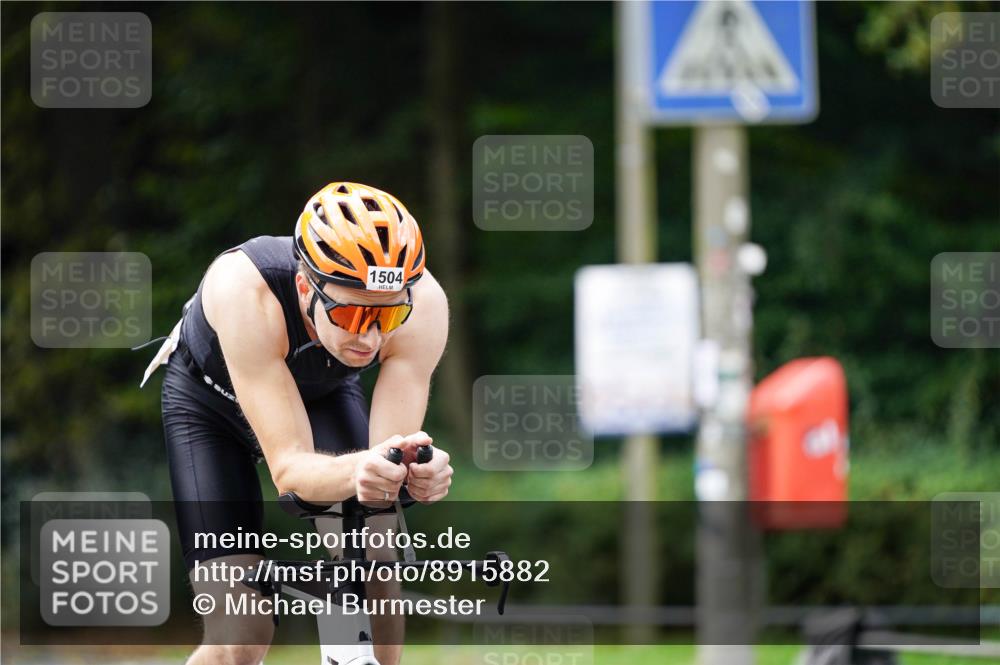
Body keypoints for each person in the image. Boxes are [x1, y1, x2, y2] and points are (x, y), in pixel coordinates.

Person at [148, 182, 453, 665]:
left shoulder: (425, 308)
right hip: (209, 408)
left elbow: (386, 467)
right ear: (306, 287)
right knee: (241, 632)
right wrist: (364, 471)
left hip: (321, 393)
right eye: (351, 312)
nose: (370, 337)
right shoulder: (244, 288)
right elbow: (290, 471)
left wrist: (414, 472)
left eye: (388, 314)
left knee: (375, 552)